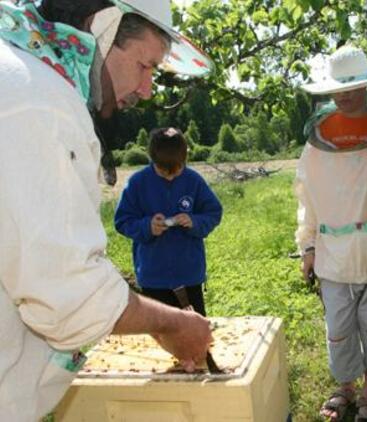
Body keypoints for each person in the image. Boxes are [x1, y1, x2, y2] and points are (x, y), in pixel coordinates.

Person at [0, 0, 215, 419]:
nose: (148, 89)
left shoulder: (16, 78)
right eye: (145, 66)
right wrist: (171, 324)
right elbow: (66, 293)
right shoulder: (38, 99)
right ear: (103, 26)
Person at [296, 45, 367, 421]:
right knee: (338, 327)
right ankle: (345, 387)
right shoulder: (318, 140)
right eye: (339, 88)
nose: (346, 96)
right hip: (332, 253)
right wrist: (307, 245)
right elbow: (306, 195)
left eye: (354, 88)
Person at [115, 127, 223, 316]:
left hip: (189, 275)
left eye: (176, 170)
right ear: (152, 160)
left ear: (185, 159)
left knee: (194, 331)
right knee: (159, 334)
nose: (170, 176)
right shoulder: (138, 183)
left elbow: (213, 212)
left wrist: (194, 221)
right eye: (163, 171)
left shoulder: (193, 181)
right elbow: (122, 221)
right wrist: (147, 226)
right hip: (153, 278)